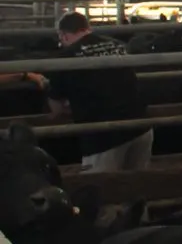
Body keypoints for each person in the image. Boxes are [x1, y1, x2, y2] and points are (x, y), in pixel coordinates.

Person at [48, 12, 153, 172]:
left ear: (63, 35)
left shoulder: (65, 58)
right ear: (87, 28)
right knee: (136, 183)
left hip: (103, 135)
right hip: (140, 126)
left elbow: (56, 109)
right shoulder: (117, 45)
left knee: (98, 185)